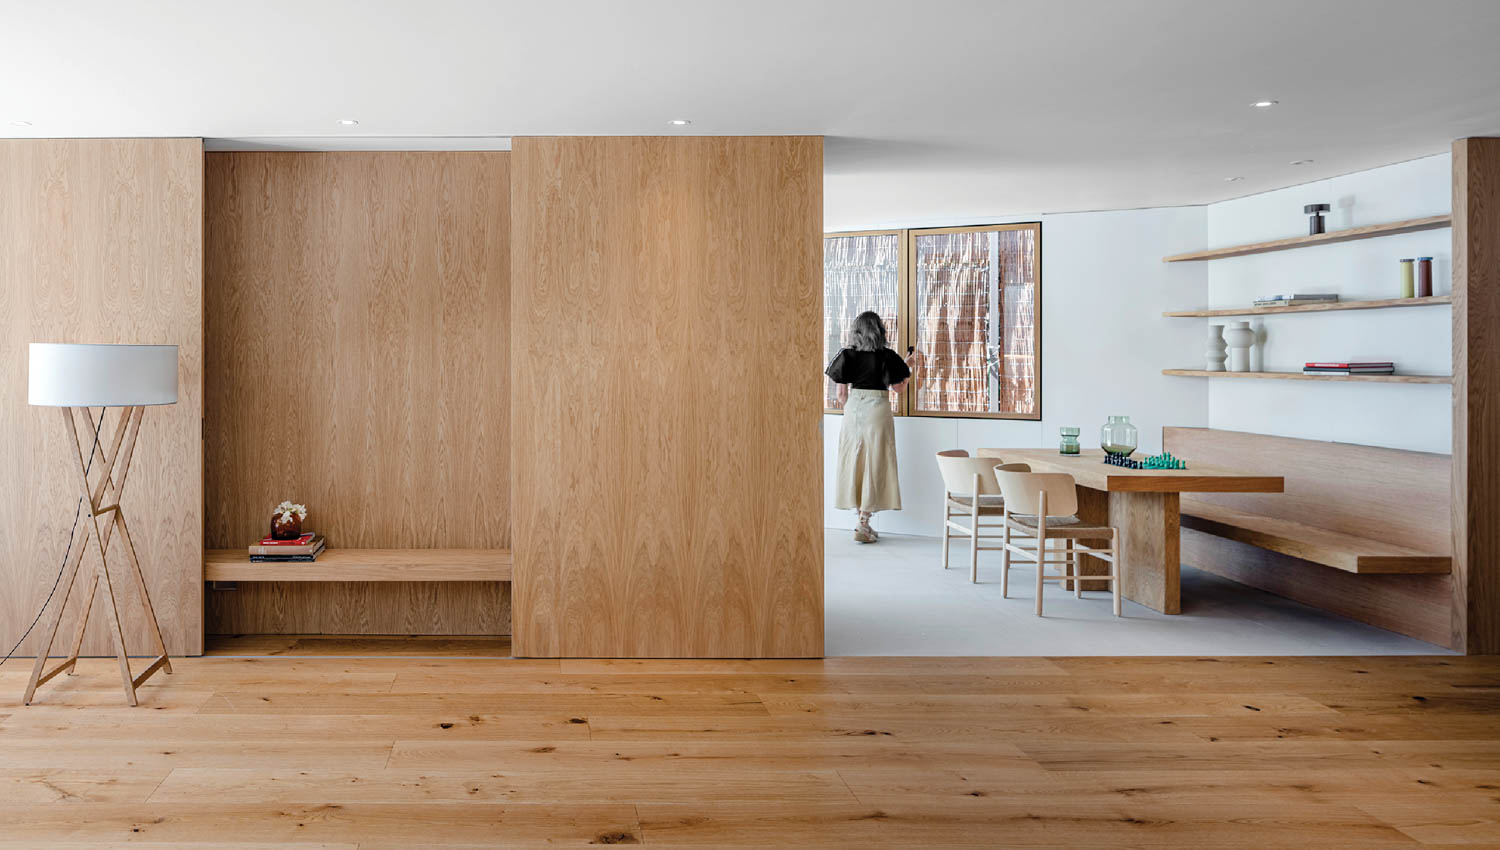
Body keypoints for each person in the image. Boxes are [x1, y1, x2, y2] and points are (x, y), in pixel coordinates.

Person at [825, 311, 916, 543]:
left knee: (855, 460)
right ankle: (864, 522)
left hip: (854, 410)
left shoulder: (847, 354)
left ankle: (862, 522)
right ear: (880, 331)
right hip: (877, 409)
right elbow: (899, 389)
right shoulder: (887, 356)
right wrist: (908, 368)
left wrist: (854, 410)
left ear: (856, 331)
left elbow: (841, 393)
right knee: (876, 461)